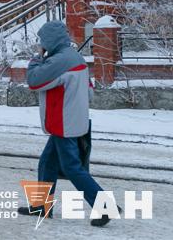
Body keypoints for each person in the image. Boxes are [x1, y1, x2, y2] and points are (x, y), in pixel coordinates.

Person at [19, 21, 115, 227]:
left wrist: (37, 58)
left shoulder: (59, 61)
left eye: (42, 41)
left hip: (64, 122)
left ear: (50, 41)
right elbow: (89, 91)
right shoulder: (74, 56)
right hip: (73, 120)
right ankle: (42, 206)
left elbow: (34, 81)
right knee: (47, 163)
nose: (41, 44)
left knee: (72, 167)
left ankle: (105, 205)